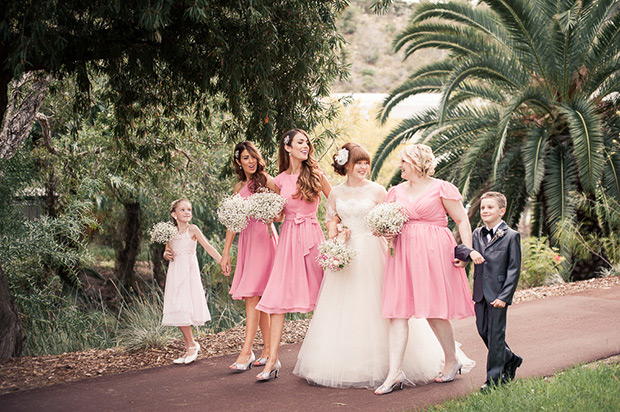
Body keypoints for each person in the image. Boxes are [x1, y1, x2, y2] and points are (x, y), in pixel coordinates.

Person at [294, 143, 458, 389]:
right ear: (346, 165)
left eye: (366, 163)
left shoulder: (379, 191)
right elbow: (331, 219)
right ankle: (348, 363)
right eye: (358, 162)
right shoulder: (336, 192)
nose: (363, 167)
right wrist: (337, 236)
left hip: (374, 252)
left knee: (383, 308)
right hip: (346, 252)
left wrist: (389, 235)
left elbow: (392, 221)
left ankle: (393, 366)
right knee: (345, 307)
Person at [377, 144, 475, 395]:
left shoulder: (441, 188)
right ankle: (394, 373)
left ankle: (452, 360)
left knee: (434, 312)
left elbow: (462, 219)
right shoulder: (395, 191)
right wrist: (386, 233)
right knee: (397, 312)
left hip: (435, 253)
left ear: (418, 162)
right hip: (402, 254)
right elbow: (388, 224)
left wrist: (466, 252)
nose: (399, 166)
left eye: (404, 161)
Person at [254, 129, 332, 381]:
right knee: (277, 300)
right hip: (287, 240)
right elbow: (279, 214)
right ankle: (272, 360)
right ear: (287, 147)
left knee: (324, 297)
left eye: (307, 142)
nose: (306, 145)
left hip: (312, 237)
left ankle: (328, 359)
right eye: (300, 142)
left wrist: (338, 233)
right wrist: (267, 214)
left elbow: (336, 205)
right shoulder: (278, 181)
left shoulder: (317, 175)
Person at [454, 191, 522, 391]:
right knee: (484, 332)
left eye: (490, 207)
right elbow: (459, 249)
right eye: (483, 207)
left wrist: (504, 297)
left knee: (496, 336)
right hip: (480, 293)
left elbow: (514, 269)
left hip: (499, 294)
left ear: (502, 211)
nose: (485, 210)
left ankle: (493, 381)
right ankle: (512, 359)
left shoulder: (511, 236)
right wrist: (471, 252)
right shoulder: (477, 234)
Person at [220, 141, 278, 372]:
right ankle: (265, 351)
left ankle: (246, 352)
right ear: (238, 161)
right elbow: (232, 223)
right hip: (247, 243)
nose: (251, 161)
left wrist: (273, 216)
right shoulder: (238, 188)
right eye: (245, 158)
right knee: (256, 297)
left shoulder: (268, 181)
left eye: (253, 156)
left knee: (254, 298)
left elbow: (285, 210)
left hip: (264, 240)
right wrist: (226, 253)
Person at [162, 199, 222, 364]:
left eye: (189, 209)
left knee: (185, 305)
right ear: (174, 214)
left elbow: (208, 247)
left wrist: (222, 261)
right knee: (177, 306)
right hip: (175, 273)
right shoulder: (169, 232)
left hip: (188, 273)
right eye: (182, 210)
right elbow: (167, 251)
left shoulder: (193, 229)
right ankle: (191, 344)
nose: (187, 212)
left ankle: (191, 346)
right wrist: (166, 255)